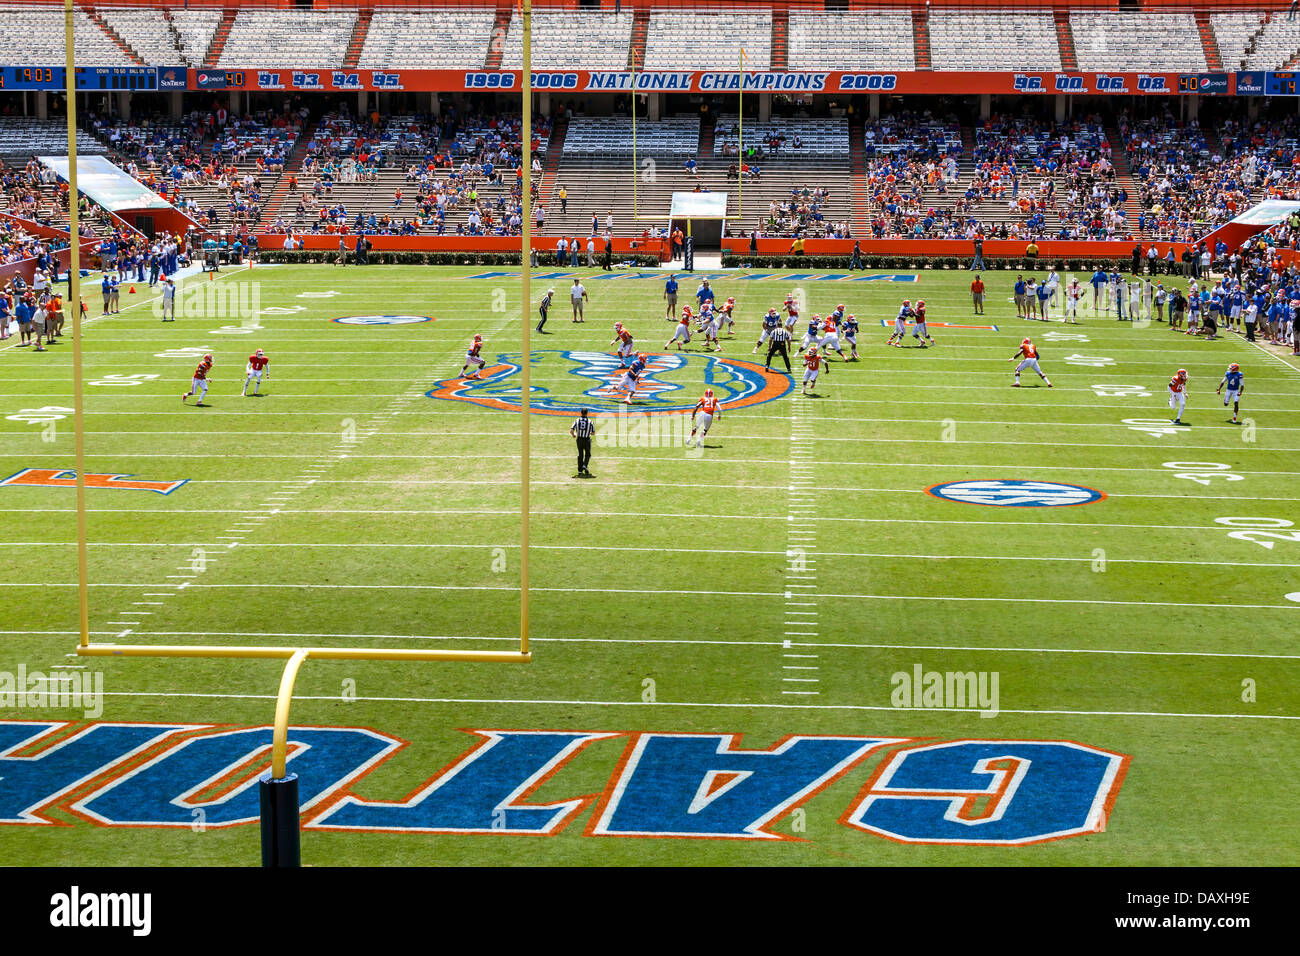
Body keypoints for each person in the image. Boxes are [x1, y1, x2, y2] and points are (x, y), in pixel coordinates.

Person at [570, 407, 595, 476]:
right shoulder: (590, 422)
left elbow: (571, 430)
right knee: (588, 454)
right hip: (587, 440)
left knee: (580, 455)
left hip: (579, 439)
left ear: (581, 413)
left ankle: (580, 470)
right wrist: (589, 433)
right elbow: (593, 432)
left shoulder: (577, 420)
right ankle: (585, 465)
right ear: (587, 413)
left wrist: (574, 435)